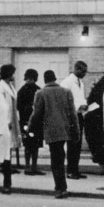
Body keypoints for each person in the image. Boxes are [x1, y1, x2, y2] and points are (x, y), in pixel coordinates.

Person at [29, 70, 79, 199]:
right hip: (64, 129)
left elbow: (36, 114)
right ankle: (62, 187)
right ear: (55, 78)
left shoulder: (40, 93)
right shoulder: (66, 92)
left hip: (51, 131)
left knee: (55, 159)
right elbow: (73, 113)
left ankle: (60, 188)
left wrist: (30, 128)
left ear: (44, 80)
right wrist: (76, 131)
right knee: (60, 157)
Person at [59, 61, 90, 180]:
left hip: (79, 115)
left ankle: (75, 170)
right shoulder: (66, 82)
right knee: (72, 144)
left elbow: (79, 98)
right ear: (76, 69)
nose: (84, 74)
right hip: (71, 116)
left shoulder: (80, 83)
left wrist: (84, 105)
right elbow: (63, 101)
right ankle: (70, 171)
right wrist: (78, 107)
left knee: (77, 144)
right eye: (83, 71)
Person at [0, 64, 23, 173]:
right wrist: (5, 121)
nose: (13, 76)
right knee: (6, 143)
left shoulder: (10, 86)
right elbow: (0, 106)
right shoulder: (1, 88)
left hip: (13, 117)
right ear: (8, 74)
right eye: (12, 73)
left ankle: (8, 164)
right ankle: (4, 165)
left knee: (11, 142)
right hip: (6, 119)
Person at [17, 69, 43, 175]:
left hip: (28, 121)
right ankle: (30, 166)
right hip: (32, 121)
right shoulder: (37, 90)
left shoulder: (22, 90)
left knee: (32, 144)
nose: (30, 81)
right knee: (31, 145)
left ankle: (31, 166)